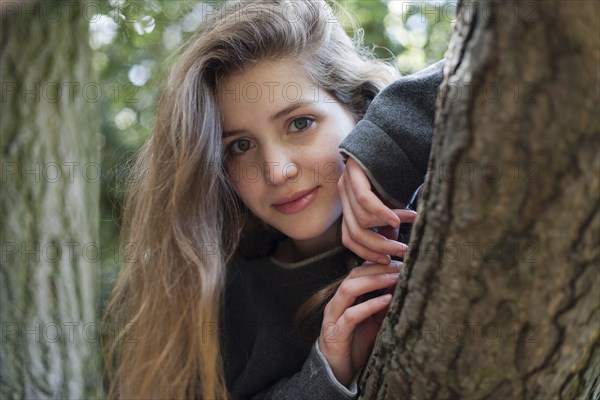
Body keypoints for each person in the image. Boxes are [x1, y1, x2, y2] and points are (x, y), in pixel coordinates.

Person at [102, 1, 443, 399]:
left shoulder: (431, 201)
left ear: (359, 109)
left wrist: (381, 147)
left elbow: (500, 58)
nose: (276, 170)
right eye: (240, 146)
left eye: (300, 123)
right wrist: (325, 373)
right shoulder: (215, 301)